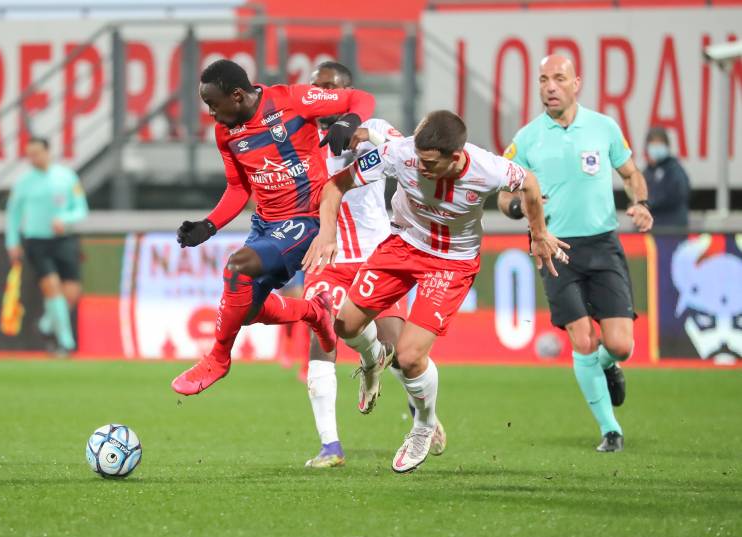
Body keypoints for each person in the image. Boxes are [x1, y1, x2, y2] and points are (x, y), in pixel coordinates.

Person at [304, 110, 566, 473]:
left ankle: (423, 427)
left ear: (456, 157)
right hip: (402, 245)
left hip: (451, 263)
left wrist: (538, 234)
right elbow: (335, 186)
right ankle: (374, 357)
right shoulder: (403, 152)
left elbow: (530, 184)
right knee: (345, 325)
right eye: (420, 160)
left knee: (410, 357)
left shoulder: (488, 169)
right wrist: (327, 233)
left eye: (431, 164)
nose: (422, 169)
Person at [171, 59, 376, 396]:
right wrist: (209, 226)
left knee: (237, 267)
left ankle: (218, 359)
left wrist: (350, 121)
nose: (210, 113)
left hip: (305, 220)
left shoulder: (291, 100)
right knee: (246, 311)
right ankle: (315, 312)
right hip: (265, 224)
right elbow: (239, 188)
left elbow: (361, 98)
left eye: (212, 103)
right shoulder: (226, 130)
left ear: (236, 95)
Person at [498, 54, 653, 453]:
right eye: (543, 79)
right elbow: (502, 196)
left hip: (603, 244)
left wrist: (641, 202)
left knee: (620, 345)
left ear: (576, 83)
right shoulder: (528, 138)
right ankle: (611, 430)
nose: (549, 86)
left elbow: (631, 173)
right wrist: (520, 208)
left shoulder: (603, 127)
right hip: (554, 247)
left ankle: (609, 365)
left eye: (558, 78)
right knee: (582, 339)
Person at [300, 61, 446, 469]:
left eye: (330, 88)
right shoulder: (302, 139)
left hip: (377, 255)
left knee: (402, 353)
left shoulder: (373, 128)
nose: (322, 96)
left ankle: (422, 414)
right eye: (316, 89)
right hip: (328, 257)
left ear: (347, 92)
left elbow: (406, 149)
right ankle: (330, 446)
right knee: (323, 331)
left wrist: (360, 132)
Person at [5, 136, 88, 356]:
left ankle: (46, 326)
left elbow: (81, 209)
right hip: (36, 241)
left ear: (48, 151)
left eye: (37, 153)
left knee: (71, 293)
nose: (33, 159)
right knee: (52, 289)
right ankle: (66, 343)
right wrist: (12, 242)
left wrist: (66, 220)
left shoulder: (66, 177)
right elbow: (13, 215)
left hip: (63, 240)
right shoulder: (23, 182)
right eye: (29, 155)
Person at [643, 126, 690, 229]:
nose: (656, 149)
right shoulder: (647, 172)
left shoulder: (674, 169)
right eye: (653, 145)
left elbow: (679, 192)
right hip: (652, 231)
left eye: (659, 144)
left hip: (673, 229)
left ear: (666, 146)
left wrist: (649, 203)